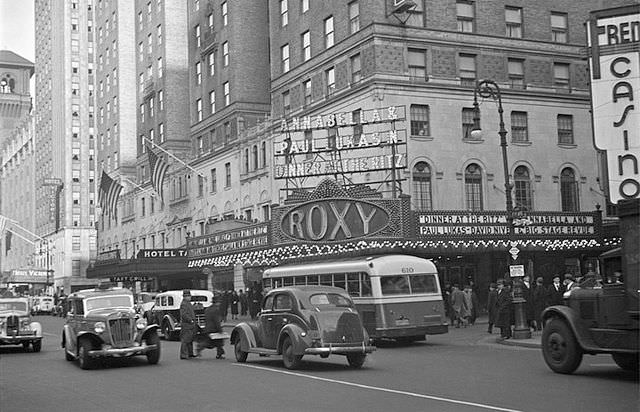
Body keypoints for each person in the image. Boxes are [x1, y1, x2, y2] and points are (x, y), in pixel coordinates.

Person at [179, 290, 197, 360]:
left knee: (190, 339)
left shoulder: (188, 303)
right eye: (188, 296)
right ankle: (183, 354)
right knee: (185, 340)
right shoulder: (184, 304)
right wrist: (190, 320)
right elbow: (184, 314)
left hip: (191, 324)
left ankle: (190, 353)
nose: (190, 297)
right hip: (187, 324)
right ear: (185, 297)